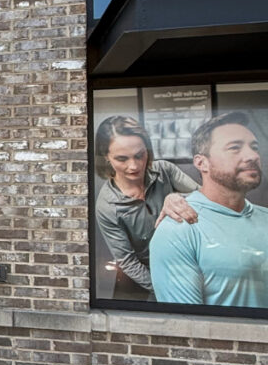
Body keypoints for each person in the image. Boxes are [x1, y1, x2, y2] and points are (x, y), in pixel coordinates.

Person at [151, 112, 268, 307]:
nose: (252, 156)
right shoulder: (178, 229)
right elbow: (188, 326)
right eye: (235, 148)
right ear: (201, 163)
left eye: (254, 147)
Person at [94, 115, 199, 299]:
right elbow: (127, 261)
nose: (134, 166)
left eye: (139, 155)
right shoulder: (107, 206)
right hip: (138, 280)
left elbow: (206, 198)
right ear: (106, 158)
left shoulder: (165, 170)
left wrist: (176, 197)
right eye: (122, 159)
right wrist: (163, 287)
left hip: (182, 265)